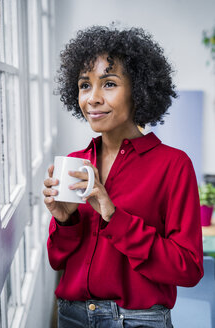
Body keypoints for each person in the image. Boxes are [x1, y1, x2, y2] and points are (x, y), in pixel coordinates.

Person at [43, 25, 204, 328]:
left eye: (109, 84)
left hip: (138, 321)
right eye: (84, 85)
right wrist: (65, 221)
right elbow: (57, 261)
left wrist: (114, 217)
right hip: (72, 316)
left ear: (140, 89)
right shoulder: (76, 163)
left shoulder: (173, 165)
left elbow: (190, 269)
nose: (92, 98)